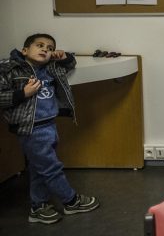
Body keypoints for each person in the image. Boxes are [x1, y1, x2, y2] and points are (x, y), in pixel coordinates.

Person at [0, 33, 100, 224]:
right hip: (31, 128)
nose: (46, 49)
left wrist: (65, 56)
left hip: (49, 125)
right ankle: (71, 201)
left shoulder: (50, 68)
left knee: (40, 169)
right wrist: (23, 93)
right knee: (51, 168)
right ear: (25, 50)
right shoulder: (10, 69)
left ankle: (38, 208)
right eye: (40, 45)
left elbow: (70, 64)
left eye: (50, 48)